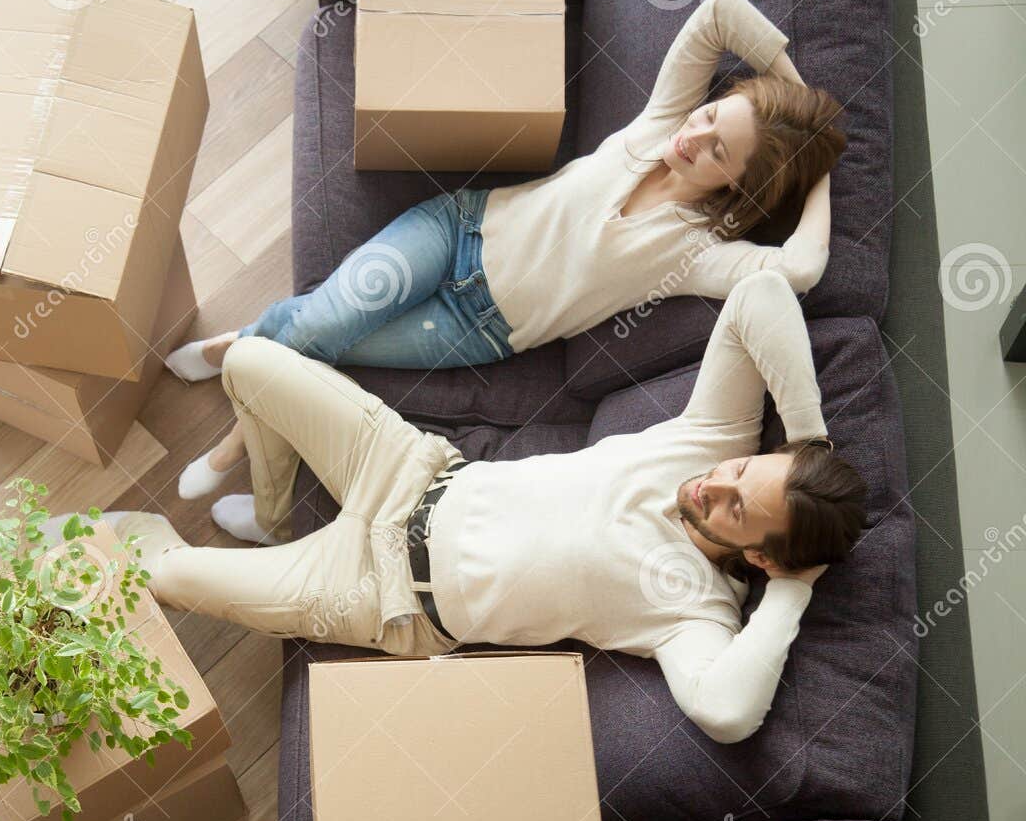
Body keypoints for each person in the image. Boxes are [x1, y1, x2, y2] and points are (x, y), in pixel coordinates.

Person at [165, 0, 847, 543]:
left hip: (475, 329)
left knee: (316, 346)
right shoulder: (659, 124)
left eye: (718, 152)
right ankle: (240, 456)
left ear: (738, 187)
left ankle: (240, 365)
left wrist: (814, 171)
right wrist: (789, 97)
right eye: (711, 118)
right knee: (325, 322)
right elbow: (720, 11)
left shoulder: (699, 253)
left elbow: (800, 268)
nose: (694, 139)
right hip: (454, 229)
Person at [108, 270, 867, 745]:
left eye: (737, 509)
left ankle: (230, 543)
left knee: (165, 576)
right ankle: (274, 517)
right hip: (407, 468)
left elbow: (729, 713)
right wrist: (808, 438)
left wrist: (794, 587)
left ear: (761, 557)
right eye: (743, 471)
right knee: (246, 360)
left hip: (385, 596)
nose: (713, 485)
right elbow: (760, 294)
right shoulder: (712, 438)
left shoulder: (696, 616)